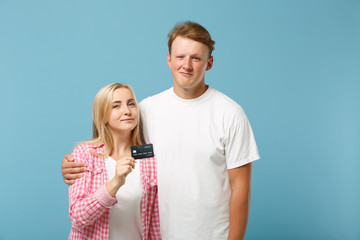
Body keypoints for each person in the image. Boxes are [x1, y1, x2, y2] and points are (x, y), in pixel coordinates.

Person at [63, 21, 260, 240]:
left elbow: (241, 188)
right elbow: (124, 149)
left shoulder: (230, 114)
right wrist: (76, 164)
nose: (187, 65)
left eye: (196, 58)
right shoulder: (146, 110)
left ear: (209, 63)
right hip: (161, 234)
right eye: (180, 56)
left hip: (214, 234)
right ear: (168, 59)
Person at [67, 83, 161, 240]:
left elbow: (155, 222)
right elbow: (78, 217)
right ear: (102, 115)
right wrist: (115, 182)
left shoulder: (149, 157)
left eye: (131, 104)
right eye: (116, 106)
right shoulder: (85, 154)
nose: (127, 111)